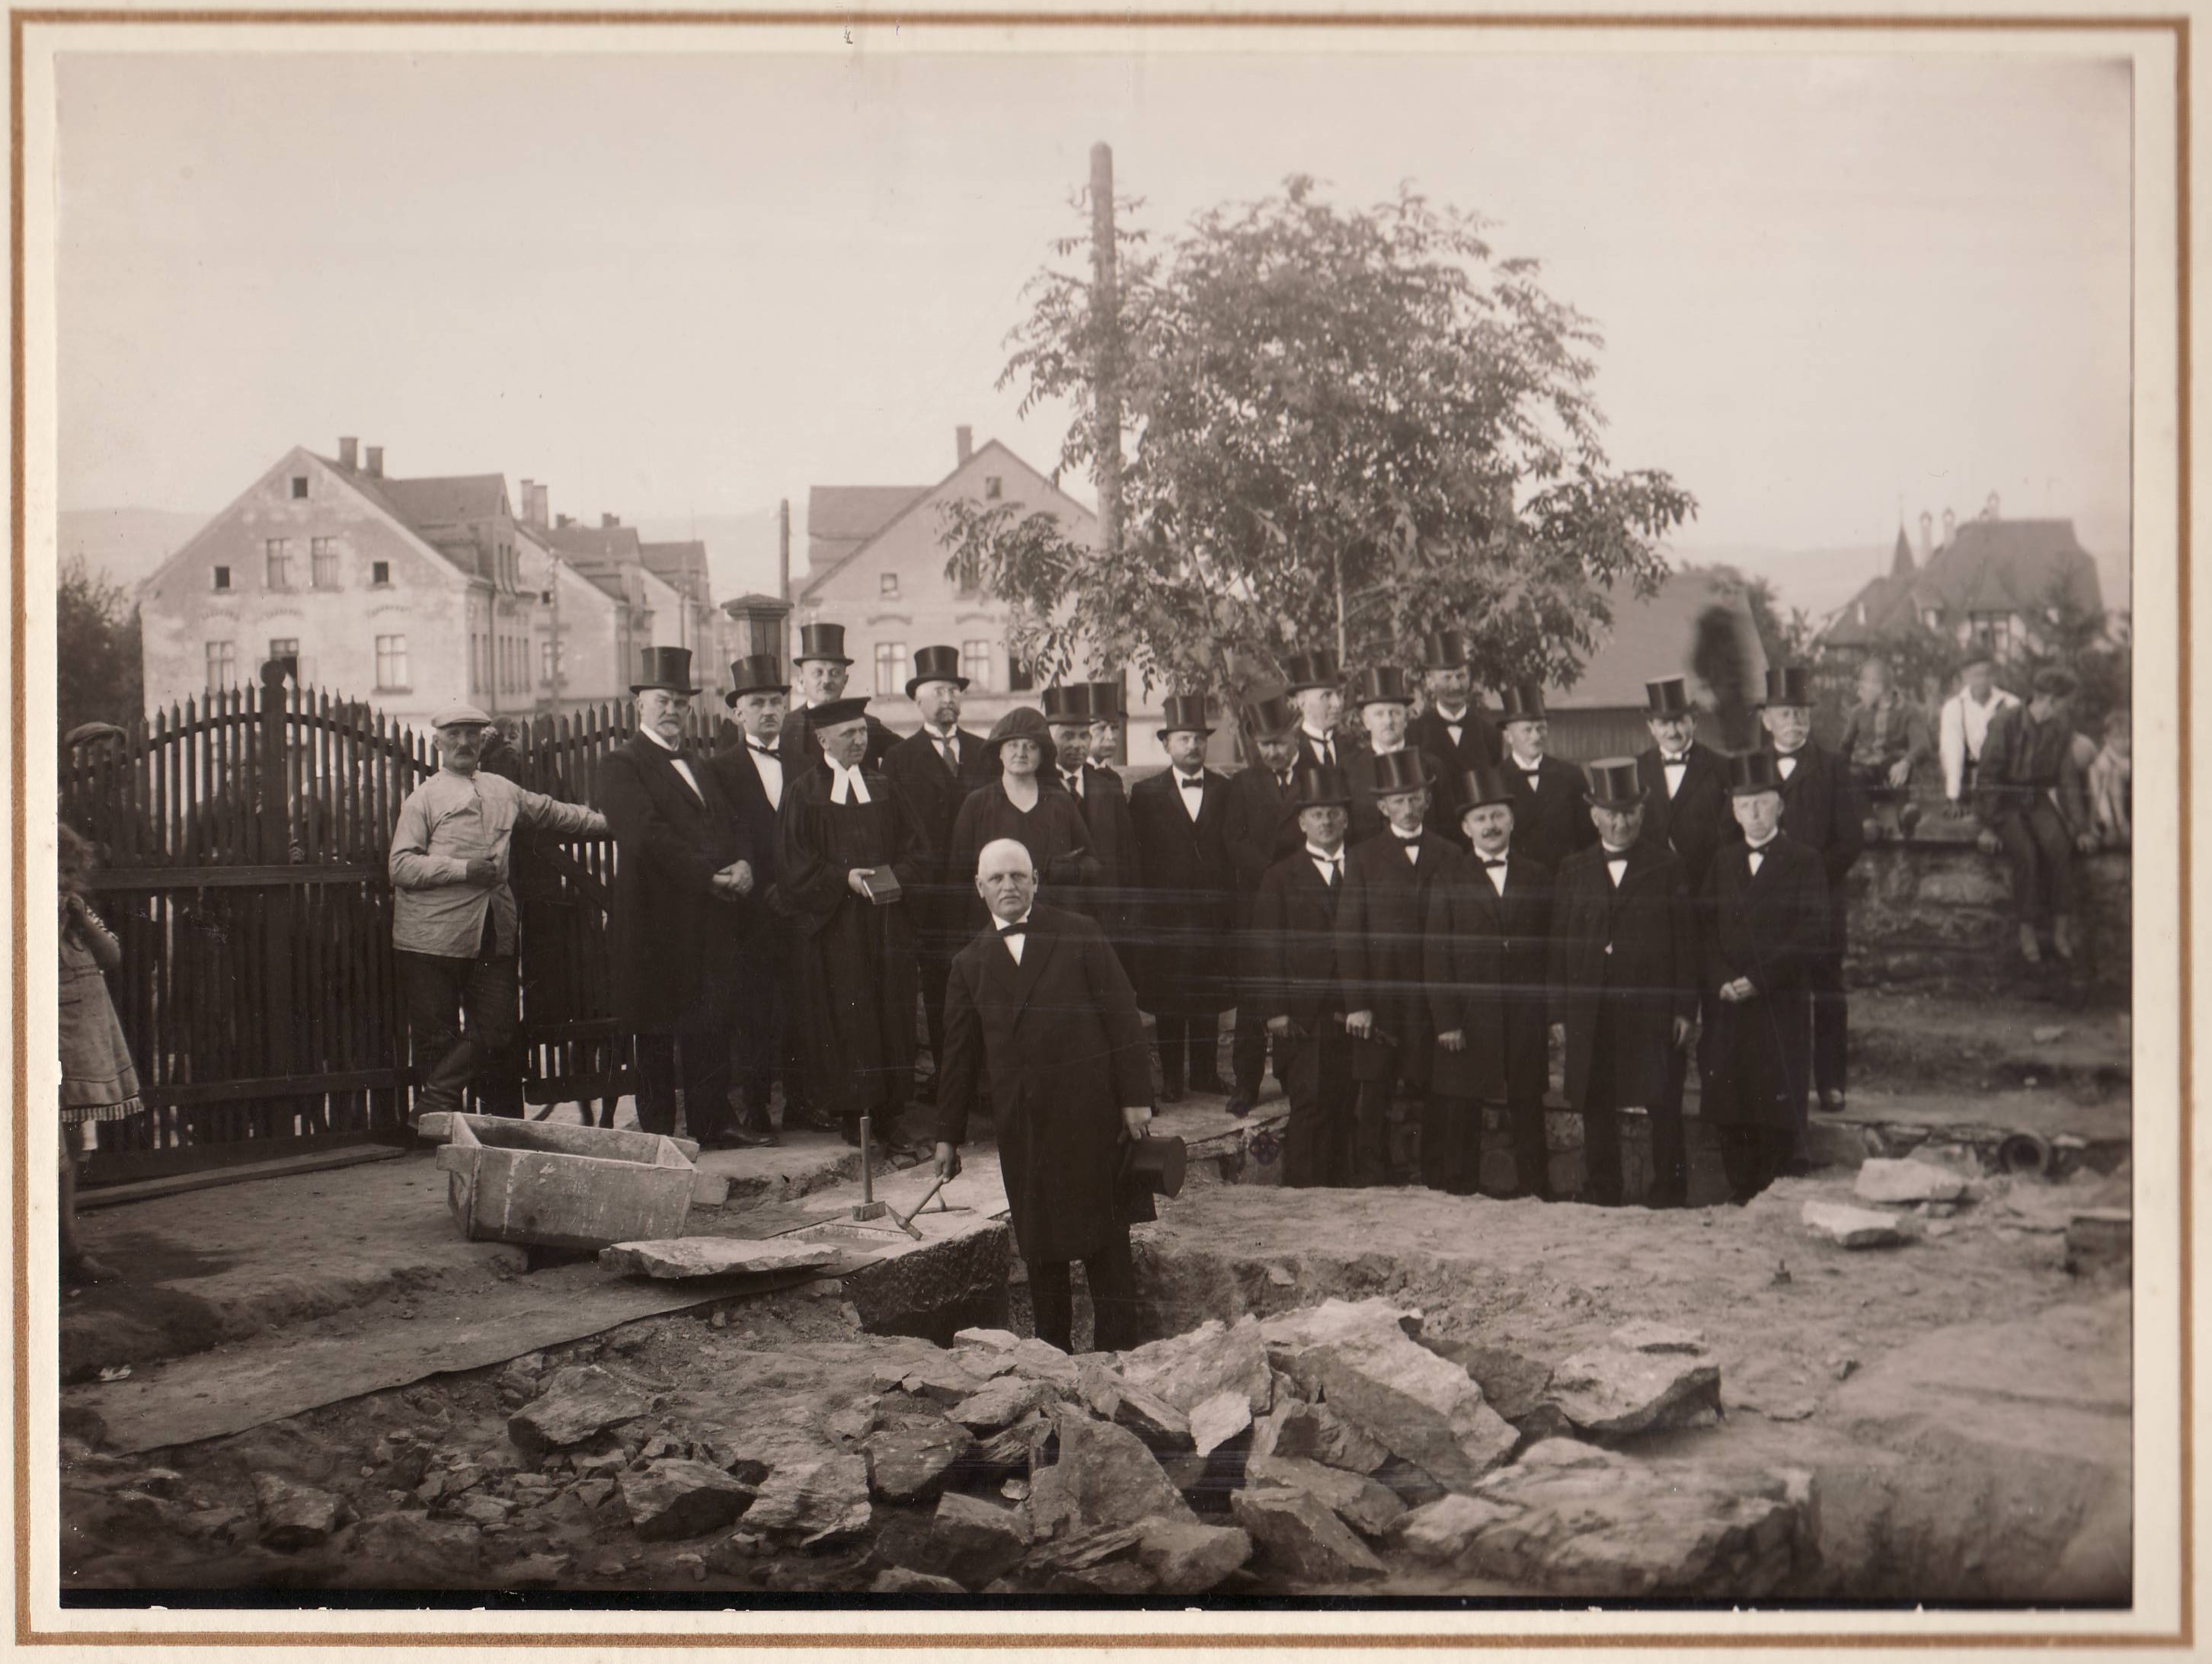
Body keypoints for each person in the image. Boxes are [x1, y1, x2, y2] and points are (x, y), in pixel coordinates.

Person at [934, 838, 1156, 1355]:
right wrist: (947, 1136)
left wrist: (1134, 1098)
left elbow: (1121, 1016)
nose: (1008, 886)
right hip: (1025, 1128)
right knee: (1042, 1248)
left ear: (1036, 880)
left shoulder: (1079, 932)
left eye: (1018, 876)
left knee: (1108, 1245)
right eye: (997, 879)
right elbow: (958, 1058)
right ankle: (1052, 1358)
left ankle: (1119, 1357)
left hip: (1092, 1118)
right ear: (979, 888)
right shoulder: (969, 963)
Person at [392, 702, 609, 1128]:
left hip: (493, 932)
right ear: (438, 743)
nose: (464, 742)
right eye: (454, 735)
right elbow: (400, 866)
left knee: (498, 1028)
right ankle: (440, 1134)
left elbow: (555, 812)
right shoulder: (423, 799)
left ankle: (434, 1103)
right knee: (436, 1038)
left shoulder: (502, 789)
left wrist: (611, 824)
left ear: (482, 742)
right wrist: (463, 869)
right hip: (430, 938)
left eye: (472, 735)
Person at [594, 655, 761, 1146]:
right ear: (639, 705)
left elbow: (732, 822)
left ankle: (711, 1125)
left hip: (707, 921)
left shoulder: (698, 764)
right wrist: (709, 877)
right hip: (654, 923)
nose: (672, 710)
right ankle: (659, 1137)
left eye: (680, 703)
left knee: (709, 1021)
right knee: (655, 1030)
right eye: (663, 701)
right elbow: (647, 836)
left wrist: (744, 863)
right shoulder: (621, 764)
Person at [780, 696, 932, 1149]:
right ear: (823, 739)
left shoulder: (885, 786)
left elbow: (918, 850)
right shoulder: (803, 792)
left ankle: (890, 1115)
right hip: (836, 928)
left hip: (887, 922)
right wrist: (842, 879)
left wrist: (895, 878)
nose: (860, 740)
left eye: (863, 731)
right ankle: (853, 1114)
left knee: (891, 1013)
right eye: (849, 733)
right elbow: (793, 864)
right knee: (848, 1017)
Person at [1546, 759, 1696, 1208]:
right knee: (1596, 1098)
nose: (1621, 822)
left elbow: (1685, 943)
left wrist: (1684, 1009)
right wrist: (1558, 1012)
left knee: (1661, 1099)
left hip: (1650, 1008)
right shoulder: (1573, 869)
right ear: (1594, 815)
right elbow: (1558, 945)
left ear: (1642, 813)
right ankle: (1603, 1189)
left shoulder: (1667, 866)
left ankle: (1669, 1191)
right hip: (1592, 1008)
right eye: (1612, 813)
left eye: (1630, 812)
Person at [1698, 750, 1830, 1203]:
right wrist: (1720, 976)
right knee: (1732, 1094)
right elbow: (1705, 927)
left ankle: (1772, 1190)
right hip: (1728, 1000)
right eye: (1744, 805)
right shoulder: (1723, 861)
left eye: (1762, 803)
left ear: (1780, 806)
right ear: (1734, 812)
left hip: (1778, 1000)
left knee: (1774, 1092)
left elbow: (1813, 932)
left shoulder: (1804, 860)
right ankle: (1738, 1189)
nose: (1754, 813)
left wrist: (1759, 978)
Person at [1424, 766, 1553, 1201]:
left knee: (1527, 1102)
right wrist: (1447, 1022)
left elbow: (1551, 948)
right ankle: (1460, 1190)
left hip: (1524, 1014)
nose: (1491, 825)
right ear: (1466, 828)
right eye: (1480, 818)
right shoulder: (1448, 877)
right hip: (1468, 1016)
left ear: (1512, 820)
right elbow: (1436, 956)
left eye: (1498, 816)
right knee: (1463, 1105)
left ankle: (1535, 1191)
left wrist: (1549, 1013)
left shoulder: (1537, 875)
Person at [1632, 675, 1734, 1208]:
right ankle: (1668, 1184)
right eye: (1663, 723)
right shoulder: (1636, 771)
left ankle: (1736, 1168)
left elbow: (1732, 843)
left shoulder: (1720, 769)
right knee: (1661, 1045)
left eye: (1680, 721)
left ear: (1693, 722)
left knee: (1719, 1030)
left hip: (1709, 915)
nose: (1672, 730)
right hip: (1656, 925)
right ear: (1651, 727)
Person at [1337, 750, 1457, 1187]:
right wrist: (1358, 1003)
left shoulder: (1450, 854)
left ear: (1427, 800)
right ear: (1382, 807)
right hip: (1382, 993)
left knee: (1437, 1085)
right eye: (1398, 800)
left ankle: (1435, 1173)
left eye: (1415, 798)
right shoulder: (1363, 857)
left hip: (1433, 995)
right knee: (1375, 1085)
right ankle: (1372, 1172)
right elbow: (1349, 934)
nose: (1408, 807)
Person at [710, 654, 817, 1138]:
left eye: (776, 702)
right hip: (748, 912)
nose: (769, 710)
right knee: (753, 1010)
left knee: (800, 1007)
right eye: (757, 703)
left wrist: (792, 889)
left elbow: (813, 836)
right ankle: (755, 1107)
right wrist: (759, 886)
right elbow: (724, 834)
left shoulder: (806, 764)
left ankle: (801, 1102)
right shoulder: (719, 769)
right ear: (738, 713)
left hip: (798, 906)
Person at [882, 645, 993, 1091]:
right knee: (940, 989)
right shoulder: (899, 758)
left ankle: (986, 1081)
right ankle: (952, 1085)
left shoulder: (984, 752)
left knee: (986, 982)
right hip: (929, 898)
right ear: (918, 700)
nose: (948, 699)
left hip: (978, 893)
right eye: (938, 691)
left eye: (954, 691)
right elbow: (895, 829)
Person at [1760, 665, 1865, 1112]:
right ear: (1767, 719)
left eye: (1801, 713)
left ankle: (1830, 1082)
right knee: (1773, 986)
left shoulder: (1832, 766)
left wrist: (1810, 880)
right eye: (1785, 713)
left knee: (1826, 989)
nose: (1795, 721)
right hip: (1766, 899)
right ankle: (1778, 1080)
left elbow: (1850, 840)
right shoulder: (1750, 765)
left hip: (1821, 897)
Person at [1250, 767, 1359, 1187]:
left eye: (1333, 813)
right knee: (1311, 1103)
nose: (1326, 821)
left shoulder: (1364, 867)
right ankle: (1304, 1198)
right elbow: (1266, 947)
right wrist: (1275, 1010)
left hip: (1355, 1009)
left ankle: (1345, 1197)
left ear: (1345, 819)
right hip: (1303, 1015)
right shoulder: (1280, 876)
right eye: (1317, 814)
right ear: (1302, 822)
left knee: (1349, 1103)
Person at [1127, 695, 1237, 1103]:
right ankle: (1172, 1078)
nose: (1192, 746)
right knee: (1170, 997)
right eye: (1183, 739)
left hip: (1212, 914)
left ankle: (1205, 1073)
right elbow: (1137, 855)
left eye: (1199, 739)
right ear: (1166, 744)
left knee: (1208, 994)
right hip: (1167, 916)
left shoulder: (1226, 790)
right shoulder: (1145, 793)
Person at [57, 824, 138, 1285]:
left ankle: (68, 1247)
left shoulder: (79, 917)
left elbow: (112, 956)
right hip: (52, 1042)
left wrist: (81, 921)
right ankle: (61, 1249)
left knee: (72, 1147)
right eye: (54, 871)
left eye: (69, 872)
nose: (63, 882)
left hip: (80, 1049)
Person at [1975, 667, 2098, 964]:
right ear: (2051, 700)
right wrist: (1988, 825)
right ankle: (2026, 932)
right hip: (2005, 800)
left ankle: (2061, 932)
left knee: (2060, 847)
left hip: (2036, 799)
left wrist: (2081, 828)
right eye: (2066, 702)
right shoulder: (2005, 723)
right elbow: (1988, 776)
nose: (2068, 708)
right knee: (2026, 854)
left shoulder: (2060, 728)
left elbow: (2067, 781)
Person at [1221, 693, 1305, 1118]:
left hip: (1304, 899)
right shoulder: (1244, 784)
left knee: (1297, 985)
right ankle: (1247, 1081)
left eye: (1279, 743)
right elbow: (1233, 840)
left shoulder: (1314, 779)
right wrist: (1271, 874)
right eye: (1264, 744)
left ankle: (1293, 1073)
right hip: (1257, 901)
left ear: (1295, 738)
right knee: (1254, 992)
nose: (1272, 751)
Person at [945, 706, 1101, 933]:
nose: (1021, 753)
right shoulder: (976, 805)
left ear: (1042, 755)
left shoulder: (1060, 802)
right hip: (992, 929)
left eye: (1031, 746)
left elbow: (1093, 864)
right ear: (999, 752)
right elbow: (957, 879)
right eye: (1013, 745)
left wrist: (1072, 871)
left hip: (1053, 926)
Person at [1066, 680, 1144, 980]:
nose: (1110, 737)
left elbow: (1126, 850)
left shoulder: (1110, 780)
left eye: (1115, 728)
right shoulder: (1060, 780)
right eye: (1101, 729)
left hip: (1107, 905)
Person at [1345, 667, 1454, 846]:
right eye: (1379, 714)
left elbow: (1448, 829)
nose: (1388, 721)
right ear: (1366, 720)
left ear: (1406, 718)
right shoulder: (1349, 769)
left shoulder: (1431, 766)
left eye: (1395, 713)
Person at [1498, 683, 1597, 873]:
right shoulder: (1495, 779)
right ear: (1508, 736)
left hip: (1564, 878)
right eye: (1527, 730)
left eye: (1541, 728)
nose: (1536, 737)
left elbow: (1588, 837)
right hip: (1518, 882)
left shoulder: (1571, 775)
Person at [779, 622, 897, 776]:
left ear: (845, 680)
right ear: (802, 680)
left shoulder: (868, 725)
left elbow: (908, 754)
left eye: (834, 673)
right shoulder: (785, 728)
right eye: (818, 673)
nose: (826, 681)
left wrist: (883, 784)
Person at [1839, 657, 1933, 838]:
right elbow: (1845, 746)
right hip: (1866, 776)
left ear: (1879, 688)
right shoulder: (1858, 712)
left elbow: (1923, 745)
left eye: (1862, 688)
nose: (1859, 693)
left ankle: (1905, 813)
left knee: (1894, 761)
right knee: (1853, 773)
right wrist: (1838, 769)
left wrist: (1906, 762)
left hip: (1894, 776)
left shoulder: (1909, 711)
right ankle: (1869, 822)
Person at [1938, 644, 2020, 814]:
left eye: (1987, 674)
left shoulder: (2011, 703)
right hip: (1971, 770)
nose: (1983, 681)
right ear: (1965, 676)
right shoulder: (1954, 707)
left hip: (2005, 776)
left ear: (1994, 675)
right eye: (1977, 675)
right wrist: (1953, 796)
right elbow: (1953, 751)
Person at [1409, 630, 1503, 779]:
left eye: (1461, 676)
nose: (1455, 686)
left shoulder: (1490, 734)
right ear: (1430, 682)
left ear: (1469, 679)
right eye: (1446, 678)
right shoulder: (1414, 734)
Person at [1283, 650, 1358, 777]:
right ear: (1301, 701)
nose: (1338, 703)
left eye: (1340, 693)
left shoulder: (1353, 747)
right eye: (1326, 695)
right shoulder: (1288, 754)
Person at [2086, 706, 2132, 849]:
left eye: (2128, 736)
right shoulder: (2105, 758)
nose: (2124, 742)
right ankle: (2112, 824)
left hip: (2131, 798)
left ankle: (2121, 823)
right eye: (2118, 737)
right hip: (2112, 802)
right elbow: (2100, 792)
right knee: (2101, 774)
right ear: (2106, 739)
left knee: (2113, 774)